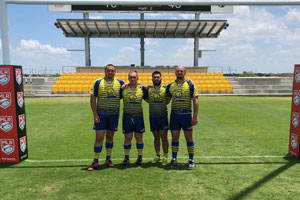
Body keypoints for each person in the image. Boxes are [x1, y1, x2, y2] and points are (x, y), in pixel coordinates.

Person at [88, 64, 124, 171]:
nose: (110, 72)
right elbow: (93, 99)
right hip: (101, 115)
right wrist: (95, 114)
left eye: (112, 70)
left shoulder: (120, 83)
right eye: (108, 70)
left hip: (113, 115)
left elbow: (131, 86)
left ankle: (108, 159)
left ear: (115, 72)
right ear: (105, 71)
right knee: (99, 138)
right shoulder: (98, 82)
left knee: (110, 137)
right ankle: (95, 160)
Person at [166, 66, 199, 168]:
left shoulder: (190, 85)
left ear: (185, 72)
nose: (179, 72)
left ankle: (191, 159)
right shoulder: (170, 86)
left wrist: (195, 117)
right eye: (178, 71)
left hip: (186, 115)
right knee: (174, 138)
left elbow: (196, 101)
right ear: (175, 72)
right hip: (175, 115)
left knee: (189, 138)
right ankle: (174, 159)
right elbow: (167, 100)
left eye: (181, 71)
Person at [121, 70, 147, 166]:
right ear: (128, 78)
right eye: (131, 77)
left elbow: (148, 99)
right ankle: (126, 158)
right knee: (127, 138)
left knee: (139, 138)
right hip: (127, 116)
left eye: (134, 77)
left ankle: (139, 158)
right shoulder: (123, 88)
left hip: (138, 116)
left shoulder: (142, 89)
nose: (132, 79)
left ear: (137, 78)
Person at [145, 71, 170, 165]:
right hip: (153, 117)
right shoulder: (148, 89)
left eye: (158, 77)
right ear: (152, 78)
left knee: (164, 137)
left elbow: (168, 100)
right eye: (154, 77)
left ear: (161, 78)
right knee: (156, 137)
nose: (156, 78)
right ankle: (157, 155)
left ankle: (165, 156)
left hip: (162, 116)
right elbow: (146, 99)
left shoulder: (165, 88)